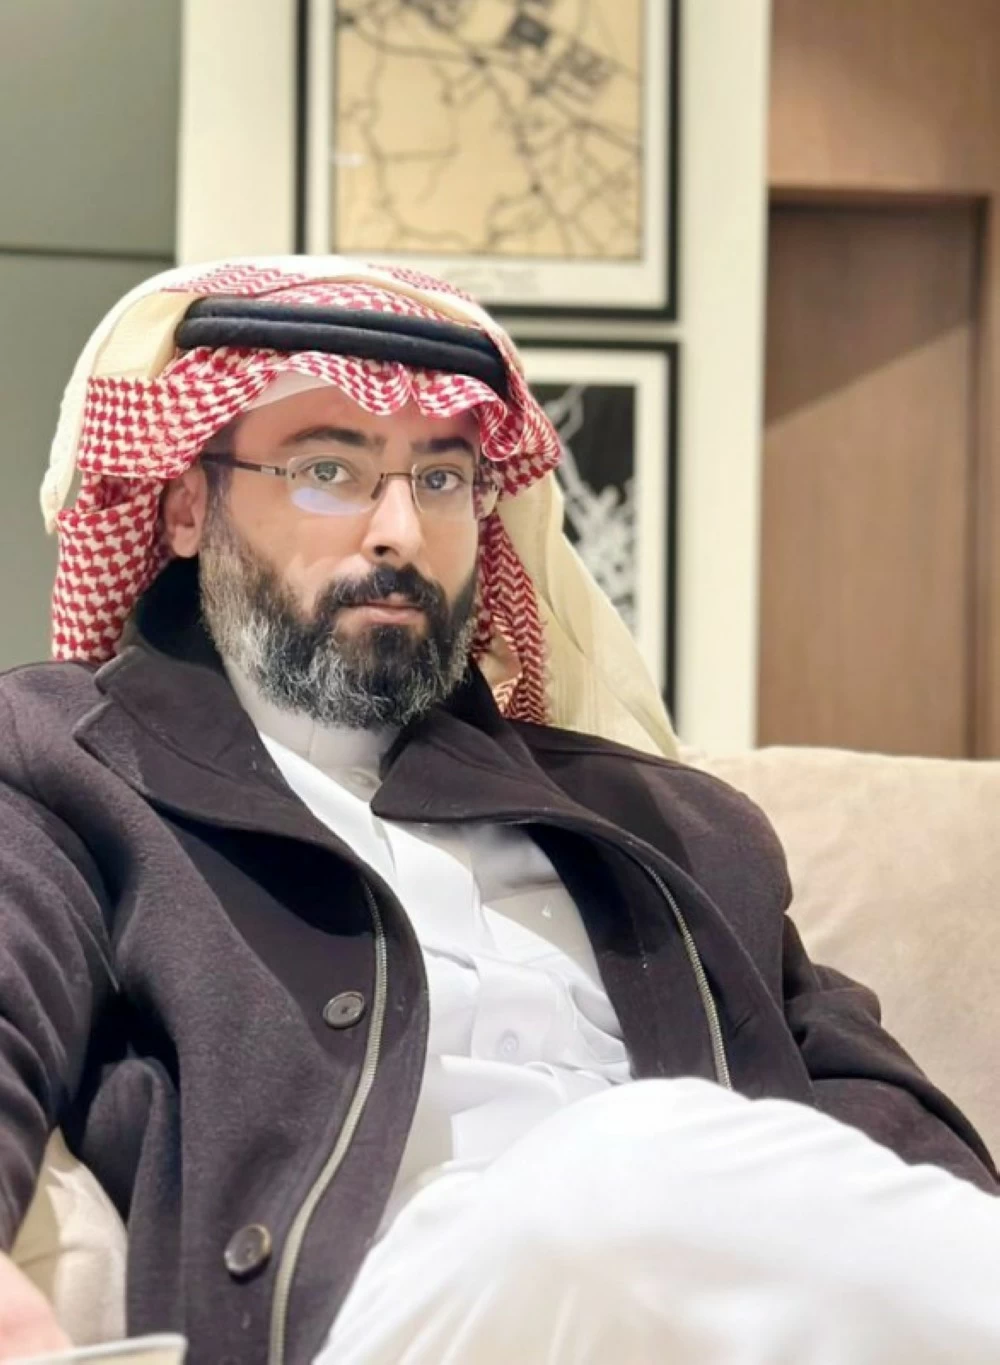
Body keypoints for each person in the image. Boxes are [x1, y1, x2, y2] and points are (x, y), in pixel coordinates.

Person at [0, 257, 998, 1365]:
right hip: (390, 1320)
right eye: (329, 470)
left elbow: (891, 1140)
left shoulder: (672, 824)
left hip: (715, 1314)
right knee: (624, 1167)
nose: (399, 532)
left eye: (440, 480)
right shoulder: (72, 763)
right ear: (189, 505)